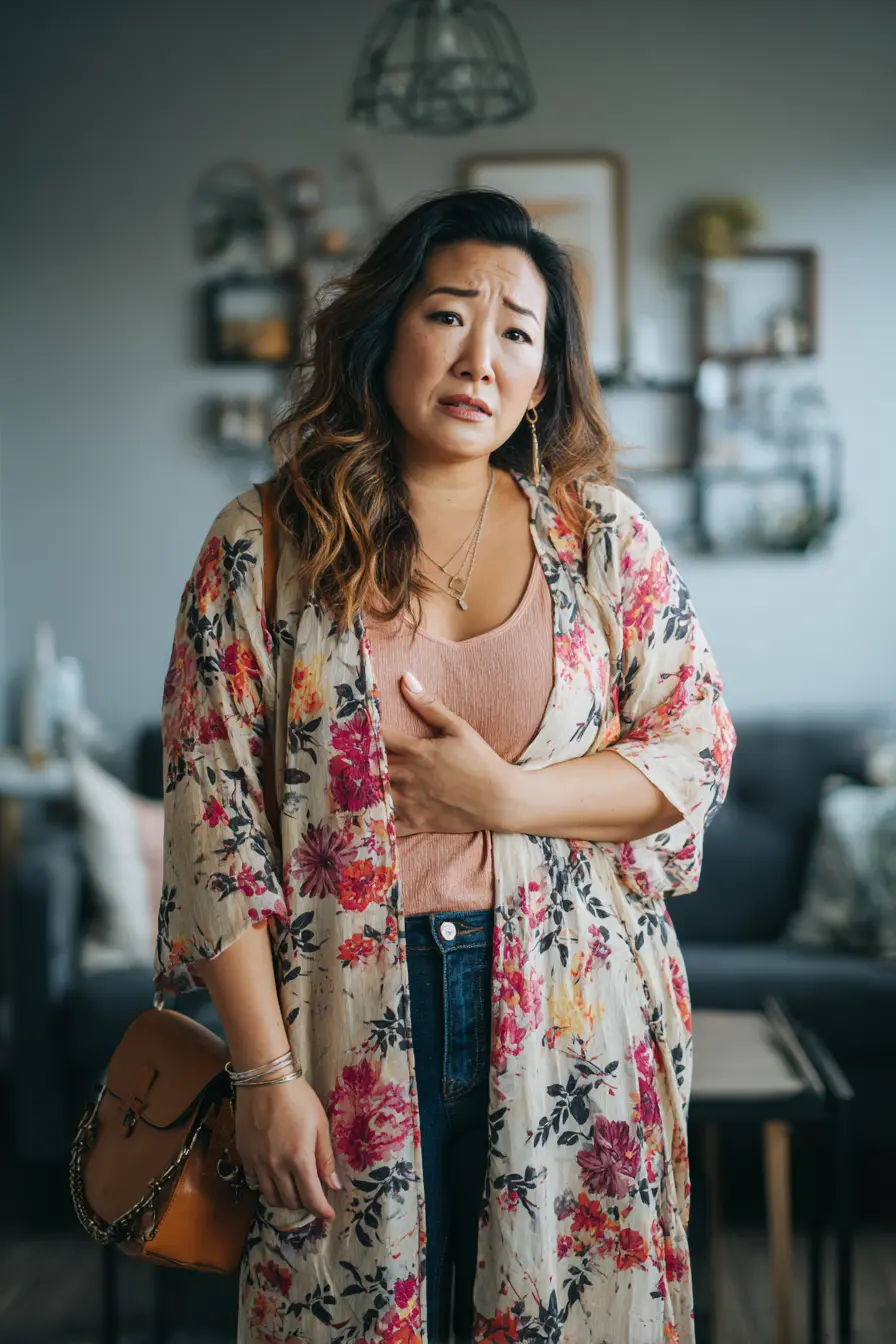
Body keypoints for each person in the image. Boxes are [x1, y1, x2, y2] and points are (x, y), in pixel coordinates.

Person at [156, 187, 736, 1344]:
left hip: (580, 1020)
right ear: (384, 332)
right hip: (336, 1024)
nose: (481, 356)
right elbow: (210, 820)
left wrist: (507, 799)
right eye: (448, 315)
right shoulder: (263, 543)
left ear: (542, 373)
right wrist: (266, 1080)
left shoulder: (599, 535)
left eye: (517, 331)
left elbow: (690, 750)